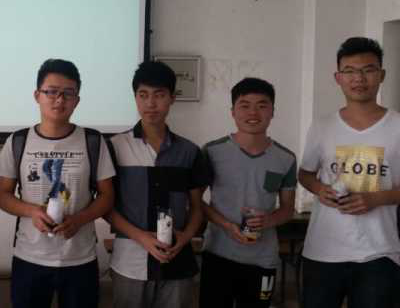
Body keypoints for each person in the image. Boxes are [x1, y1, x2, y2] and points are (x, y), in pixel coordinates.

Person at [0, 58, 115, 308]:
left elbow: (107, 196)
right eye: (51, 92)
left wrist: (79, 219)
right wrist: (32, 211)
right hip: (29, 257)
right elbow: (4, 196)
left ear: (77, 100)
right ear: (37, 95)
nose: (59, 100)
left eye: (67, 93)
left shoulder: (92, 141)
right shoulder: (18, 141)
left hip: (79, 258)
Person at [298, 37, 400, 308]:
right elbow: (305, 174)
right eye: (350, 71)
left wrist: (375, 198)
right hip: (323, 250)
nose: (359, 79)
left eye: (368, 70)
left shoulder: (397, 126)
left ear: (382, 75)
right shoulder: (322, 126)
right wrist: (319, 189)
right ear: (338, 78)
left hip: (379, 253)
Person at [105, 60, 209, 308]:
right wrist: (141, 237)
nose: (151, 103)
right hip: (129, 263)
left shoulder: (189, 152)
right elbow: (105, 207)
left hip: (178, 260)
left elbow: (197, 207)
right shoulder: (115, 147)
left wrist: (184, 238)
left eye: (159, 95)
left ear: (172, 98)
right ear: (135, 98)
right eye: (143, 95)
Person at [199, 77, 296, 308]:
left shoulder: (286, 158)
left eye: (262, 105)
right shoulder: (212, 151)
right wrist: (227, 225)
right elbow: (196, 202)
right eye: (245, 105)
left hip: (263, 259)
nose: (253, 112)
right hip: (218, 253)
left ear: (273, 112)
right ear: (233, 112)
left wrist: (268, 220)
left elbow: (287, 209)